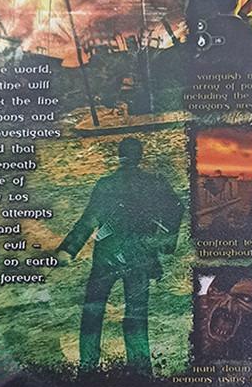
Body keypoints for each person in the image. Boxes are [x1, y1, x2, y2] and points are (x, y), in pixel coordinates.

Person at [60, 137, 183, 372]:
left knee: (93, 311)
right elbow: (176, 208)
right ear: (140, 156)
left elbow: (89, 219)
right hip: (139, 256)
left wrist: (69, 249)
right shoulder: (154, 184)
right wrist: (166, 243)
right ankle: (140, 370)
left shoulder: (106, 185)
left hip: (106, 257)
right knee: (136, 314)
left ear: (120, 156)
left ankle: (88, 367)